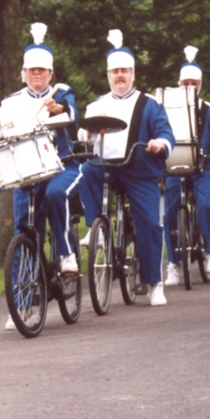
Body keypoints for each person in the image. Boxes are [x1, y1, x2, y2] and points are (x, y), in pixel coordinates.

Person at [0, 23, 81, 330]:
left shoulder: (60, 92)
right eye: (32, 71)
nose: (37, 76)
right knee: (25, 232)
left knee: (54, 195)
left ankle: (65, 255)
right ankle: (20, 305)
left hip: (60, 166)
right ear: (23, 73)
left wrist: (58, 108)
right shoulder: (11, 101)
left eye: (42, 71)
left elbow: (71, 114)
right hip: (25, 173)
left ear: (50, 73)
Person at [78, 30, 175, 307]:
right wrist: (86, 135)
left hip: (139, 169)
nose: (119, 76)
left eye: (124, 71)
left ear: (133, 73)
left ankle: (154, 282)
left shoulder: (150, 104)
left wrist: (160, 144)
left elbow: (166, 134)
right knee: (85, 171)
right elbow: (85, 137)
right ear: (108, 75)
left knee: (149, 221)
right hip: (105, 168)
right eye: (115, 72)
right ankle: (96, 228)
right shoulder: (96, 106)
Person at [163, 46, 210, 286]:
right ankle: (174, 262)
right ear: (179, 83)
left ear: (200, 84)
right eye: (185, 82)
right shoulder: (167, 109)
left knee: (204, 206)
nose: (189, 87)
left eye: (194, 83)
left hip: (204, 168)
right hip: (175, 167)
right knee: (169, 213)